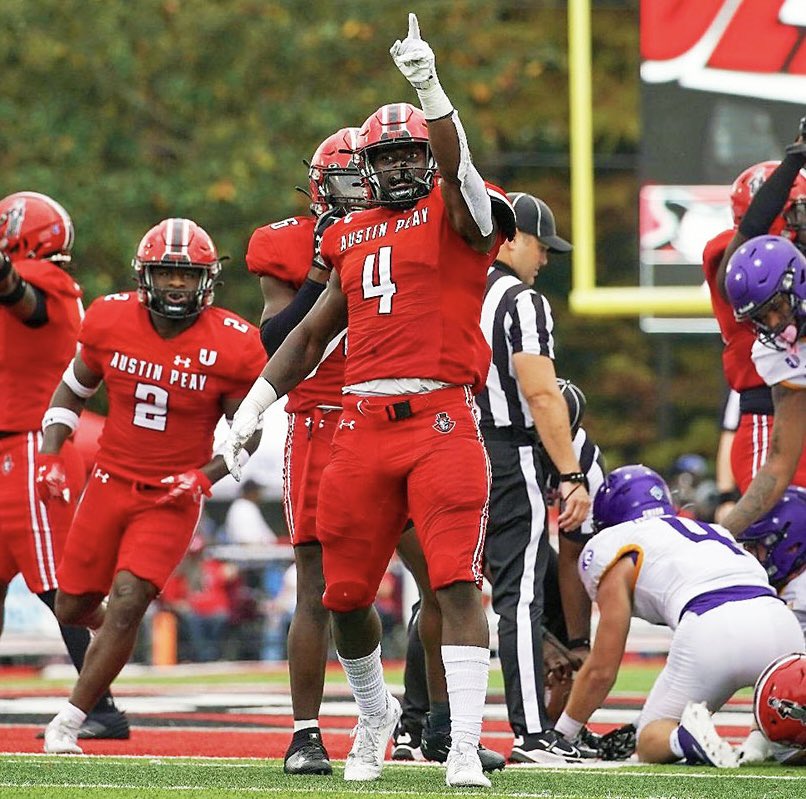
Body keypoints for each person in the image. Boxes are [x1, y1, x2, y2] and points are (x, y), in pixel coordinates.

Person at [224, 13, 516, 788]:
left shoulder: (458, 217)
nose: (391, 169)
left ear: (425, 157)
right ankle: (376, 712)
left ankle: (460, 742)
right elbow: (310, 333)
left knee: (453, 580)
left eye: (405, 154)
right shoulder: (347, 236)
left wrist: (430, 87)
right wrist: (254, 405)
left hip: (440, 417)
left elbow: (460, 174)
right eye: (380, 157)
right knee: (345, 593)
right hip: (357, 423)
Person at [37, 218, 267, 754]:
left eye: (187, 276)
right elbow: (72, 391)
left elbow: (246, 437)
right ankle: (119, 630)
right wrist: (50, 454)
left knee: (128, 597)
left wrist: (203, 477)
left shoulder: (233, 343)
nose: (177, 286)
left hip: (171, 493)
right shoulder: (109, 318)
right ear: (147, 275)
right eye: (167, 273)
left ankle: (69, 720)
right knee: (72, 607)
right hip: (110, 481)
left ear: (207, 280)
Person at [393, 377, 605, 757]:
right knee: (440, 597)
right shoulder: (488, 442)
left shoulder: (582, 458)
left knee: (549, 591)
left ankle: (559, 724)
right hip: (450, 510)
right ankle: (414, 722)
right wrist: (537, 635)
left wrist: (576, 644)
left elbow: (572, 558)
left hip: (515, 525)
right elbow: (482, 555)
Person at [552, 464, 803, 767]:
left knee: (651, 739)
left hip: (713, 626)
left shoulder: (615, 544)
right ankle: (763, 743)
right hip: (780, 622)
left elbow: (603, 668)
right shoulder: (713, 531)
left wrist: (563, 734)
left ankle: (683, 738)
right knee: (794, 733)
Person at [0, 190, 127, 740]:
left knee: (60, 588)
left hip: (34, 446)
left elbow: (19, 295)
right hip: (13, 448)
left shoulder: (45, 280)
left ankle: (101, 708)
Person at [473, 191, 592, 763]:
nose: (543, 261)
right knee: (519, 598)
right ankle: (531, 732)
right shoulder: (521, 301)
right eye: (541, 247)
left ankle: (427, 722)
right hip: (504, 451)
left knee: (446, 591)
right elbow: (541, 392)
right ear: (513, 237)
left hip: (448, 446)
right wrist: (568, 473)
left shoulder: (461, 287)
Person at [702, 146, 806, 500]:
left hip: (795, 408)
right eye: (795, 212)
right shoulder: (733, 259)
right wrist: (795, 160)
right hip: (769, 415)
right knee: (783, 530)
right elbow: (753, 234)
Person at [721, 235, 806, 534]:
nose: (773, 324)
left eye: (776, 307)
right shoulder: (780, 353)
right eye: (760, 317)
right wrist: (721, 535)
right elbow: (778, 467)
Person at [222, 479, 277, 545]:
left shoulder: (247, 506)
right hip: (248, 553)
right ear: (251, 492)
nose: (260, 495)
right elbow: (246, 540)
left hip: (254, 551)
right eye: (258, 491)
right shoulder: (242, 507)